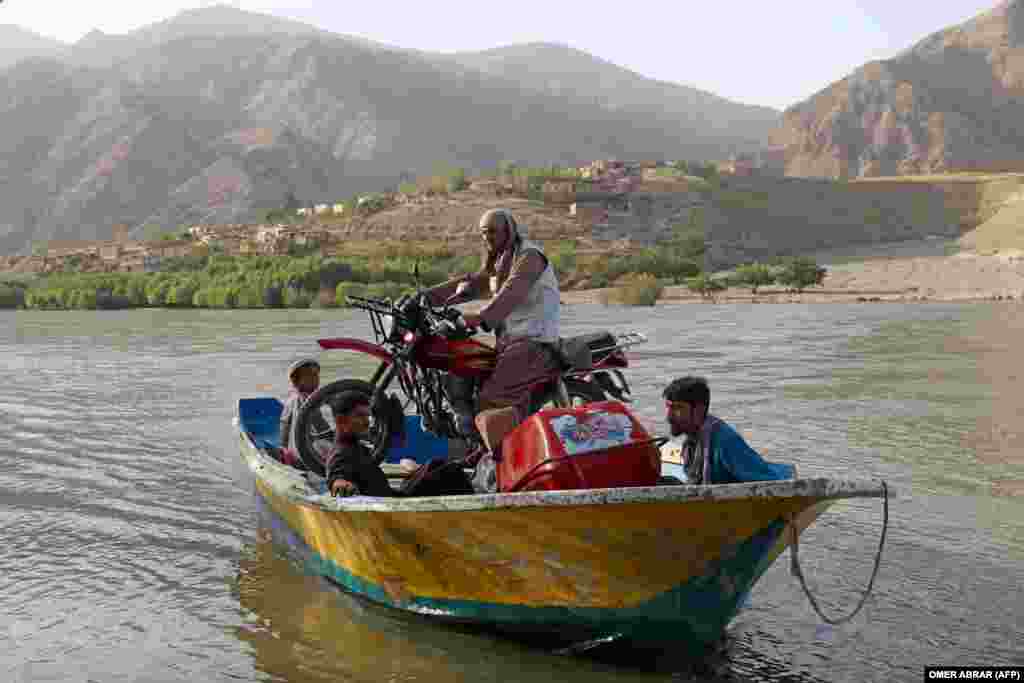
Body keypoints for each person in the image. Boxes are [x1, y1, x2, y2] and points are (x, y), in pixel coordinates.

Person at [425, 208, 562, 490]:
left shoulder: (529, 257)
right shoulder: (500, 260)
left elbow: (510, 293)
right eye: (483, 233)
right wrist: (423, 299)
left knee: (489, 402)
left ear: (509, 230)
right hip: (509, 343)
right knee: (464, 369)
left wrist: (479, 318)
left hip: (533, 342)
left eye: (493, 231)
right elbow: (472, 284)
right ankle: (479, 449)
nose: (488, 237)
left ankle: (509, 468)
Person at [663, 376, 797, 484]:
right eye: (668, 407)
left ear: (699, 410)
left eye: (678, 408)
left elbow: (772, 484)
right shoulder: (692, 440)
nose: (668, 416)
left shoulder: (724, 441)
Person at [324, 391, 396, 497]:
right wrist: (340, 483)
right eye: (360, 416)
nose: (367, 422)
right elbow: (337, 475)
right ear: (341, 420)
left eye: (367, 416)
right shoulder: (342, 453)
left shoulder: (357, 448)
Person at [278, 358, 331, 468]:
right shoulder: (304, 400)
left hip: (294, 452)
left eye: (316, 375)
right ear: (296, 381)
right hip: (305, 456)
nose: (315, 379)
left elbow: (284, 426)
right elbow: (320, 426)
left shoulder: (294, 397)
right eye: (309, 376)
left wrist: (284, 447)